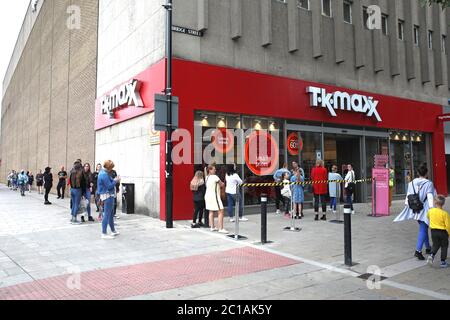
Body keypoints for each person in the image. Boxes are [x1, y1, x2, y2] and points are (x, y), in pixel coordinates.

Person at [394, 163, 436, 261]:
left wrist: (407, 205)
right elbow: (430, 196)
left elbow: (408, 196)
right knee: (423, 228)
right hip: (425, 209)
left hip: (414, 208)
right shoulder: (429, 183)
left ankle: (428, 247)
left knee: (423, 227)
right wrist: (432, 208)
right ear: (427, 173)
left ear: (417, 173)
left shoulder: (411, 183)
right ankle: (418, 251)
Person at [97, 160, 121, 239]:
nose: (112, 169)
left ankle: (113, 231)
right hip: (107, 195)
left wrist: (114, 180)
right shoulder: (104, 174)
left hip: (107, 195)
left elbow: (111, 180)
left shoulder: (103, 172)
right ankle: (104, 233)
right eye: (111, 167)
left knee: (110, 215)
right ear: (109, 167)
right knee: (107, 215)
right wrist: (116, 181)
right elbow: (109, 186)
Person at [426, 195, 449, 268]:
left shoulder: (430, 211)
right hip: (443, 232)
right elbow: (448, 225)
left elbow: (428, 217)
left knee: (435, 244)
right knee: (444, 246)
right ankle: (443, 262)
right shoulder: (444, 214)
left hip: (433, 231)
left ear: (435, 202)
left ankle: (431, 255)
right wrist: (448, 233)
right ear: (443, 203)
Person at [205, 164, 228, 234]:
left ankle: (212, 227)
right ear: (210, 170)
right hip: (214, 196)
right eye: (214, 169)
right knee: (221, 210)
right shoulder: (215, 177)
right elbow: (221, 184)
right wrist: (223, 183)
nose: (215, 170)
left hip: (207, 196)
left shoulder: (206, 177)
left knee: (211, 211)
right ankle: (221, 228)